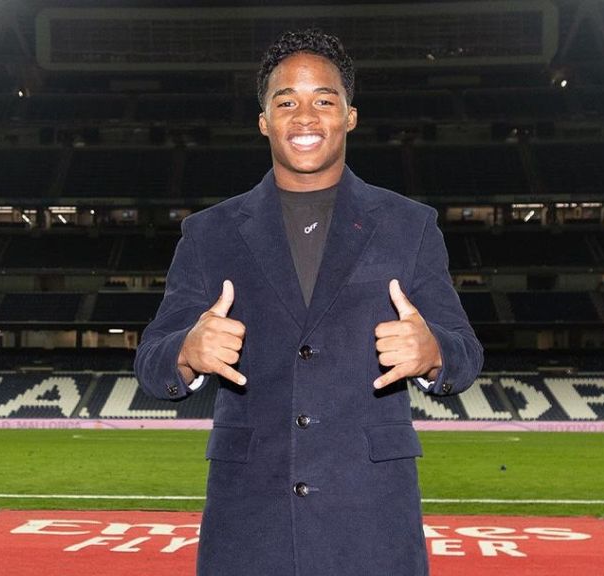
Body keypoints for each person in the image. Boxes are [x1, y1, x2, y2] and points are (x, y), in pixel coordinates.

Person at [135, 29, 483, 576]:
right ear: (263, 121)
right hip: (249, 522)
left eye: (324, 100)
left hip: (370, 519)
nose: (305, 116)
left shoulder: (409, 225)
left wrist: (433, 349)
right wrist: (186, 350)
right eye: (286, 101)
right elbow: (152, 361)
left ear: (349, 116)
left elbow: (465, 353)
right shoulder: (210, 233)